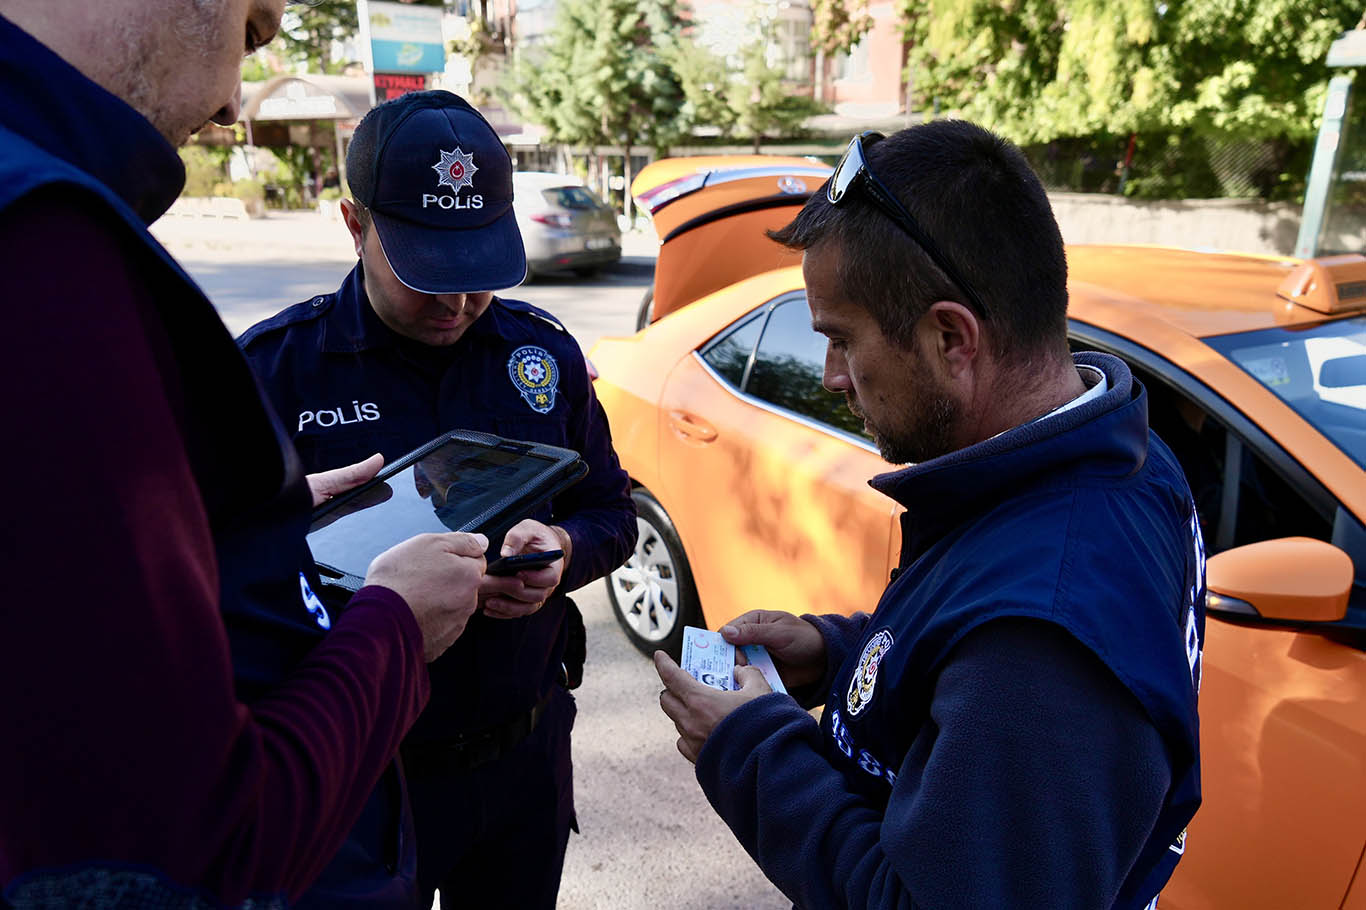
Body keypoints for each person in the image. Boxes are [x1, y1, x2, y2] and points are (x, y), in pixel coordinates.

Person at [0, 2, 490, 907]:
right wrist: (393, 625)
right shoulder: (47, 254)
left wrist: (228, 539)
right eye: (255, 31)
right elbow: (193, 855)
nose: (232, 106)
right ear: (356, 228)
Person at [655, 121, 1206, 910]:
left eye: (842, 339)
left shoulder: (1041, 645)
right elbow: (966, 665)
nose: (831, 376)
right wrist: (842, 652)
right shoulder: (1122, 455)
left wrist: (745, 746)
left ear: (951, 336)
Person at [239, 90, 637, 909]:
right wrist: (369, 594)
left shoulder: (543, 353)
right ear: (355, 226)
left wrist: (562, 558)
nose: (457, 303)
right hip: (367, 784)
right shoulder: (274, 372)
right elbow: (224, 588)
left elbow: (611, 511)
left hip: (524, 764)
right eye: (429, 274)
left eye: (478, 272)